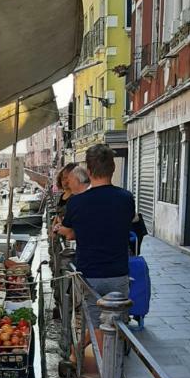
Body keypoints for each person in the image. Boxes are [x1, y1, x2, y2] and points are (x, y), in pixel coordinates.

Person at [61, 144, 134, 351]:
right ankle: (107, 372)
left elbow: (69, 231)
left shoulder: (77, 203)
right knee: (115, 325)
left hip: (90, 274)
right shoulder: (126, 199)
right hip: (118, 273)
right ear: (112, 169)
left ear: (89, 171)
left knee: (98, 326)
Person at [52, 165, 90, 238]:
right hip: (61, 232)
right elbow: (58, 214)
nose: (65, 181)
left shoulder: (76, 198)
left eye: (67, 178)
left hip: (68, 236)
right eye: (63, 179)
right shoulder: (62, 196)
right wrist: (53, 228)